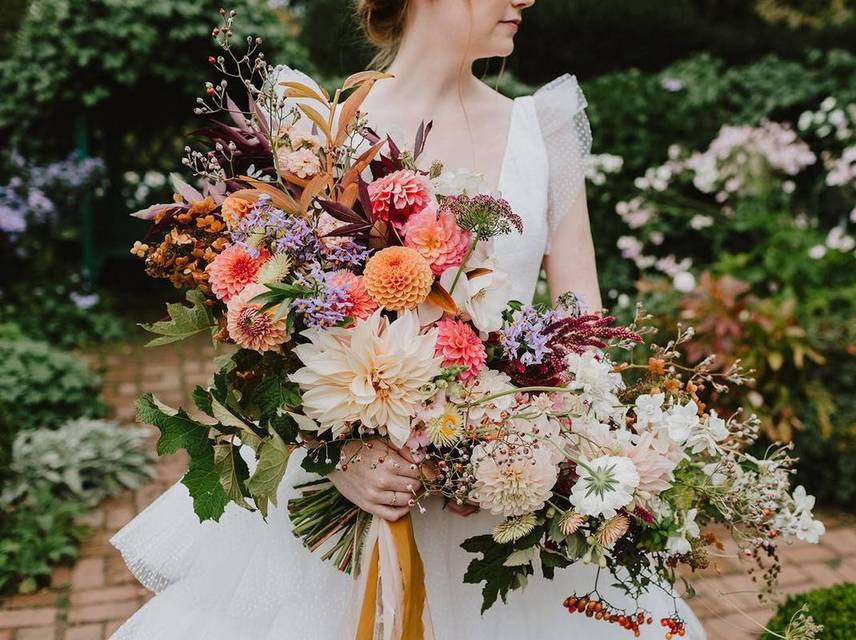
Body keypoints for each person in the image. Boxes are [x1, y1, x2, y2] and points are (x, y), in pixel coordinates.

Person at [109, 1, 707, 638]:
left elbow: (583, 320)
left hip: (505, 489)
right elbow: (262, 324)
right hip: (357, 497)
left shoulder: (545, 130)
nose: (524, 0)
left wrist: (555, 444)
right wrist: (334, 453)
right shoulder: (322, 128)